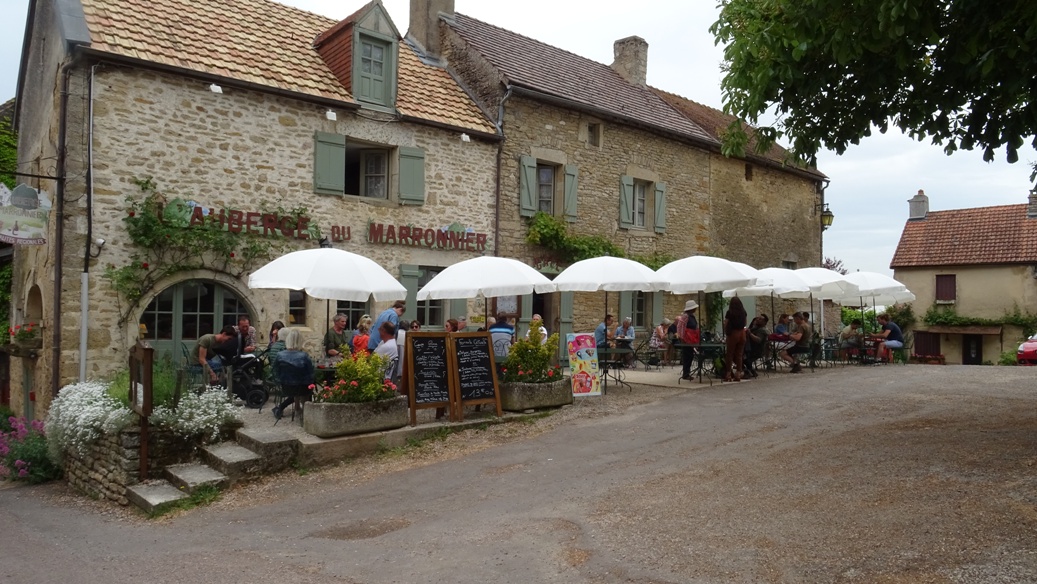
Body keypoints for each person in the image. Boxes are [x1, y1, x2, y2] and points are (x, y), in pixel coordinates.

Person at [271, 328, 315, 421]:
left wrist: (279, 381)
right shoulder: (304, 356)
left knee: (298, 385)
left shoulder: (280, 355)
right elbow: (311, 373)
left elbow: (274, 370)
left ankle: (296, 408)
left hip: (286, 387)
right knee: (307, 385)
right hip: (302, 388)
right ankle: (306, 411)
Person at [724, 297, 748, 382]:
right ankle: (738, 373)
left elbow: (726, 323)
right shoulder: (743, 312)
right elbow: (745, 323)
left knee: (730, 354)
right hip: (742, 333)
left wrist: (726, 331)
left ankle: (728, 374)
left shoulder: (730, 312)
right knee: (739, 354)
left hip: (733, 333)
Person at [676, 301, 699, 380]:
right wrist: (682, 338)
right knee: (687, 356)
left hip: (691, 339)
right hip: (686, 339)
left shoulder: (692, 316)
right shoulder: (685, 316)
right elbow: (680, 327)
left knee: (690, 356)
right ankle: (686, 374)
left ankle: (687, 373)